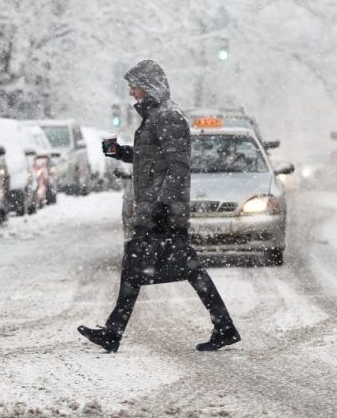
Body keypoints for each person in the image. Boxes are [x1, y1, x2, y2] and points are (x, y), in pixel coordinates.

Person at [77, 60, 240, 353]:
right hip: (155, 206)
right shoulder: (155, 117)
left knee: (155, 265)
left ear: (149, 86)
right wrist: (120, 152)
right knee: (154, 266)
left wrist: (164, 206)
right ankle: (223, 326)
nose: (130, 91)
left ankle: (116, 332)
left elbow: (179, 166)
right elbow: (152, 159)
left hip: (162, 208)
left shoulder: (168, 117)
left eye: (134, 84)